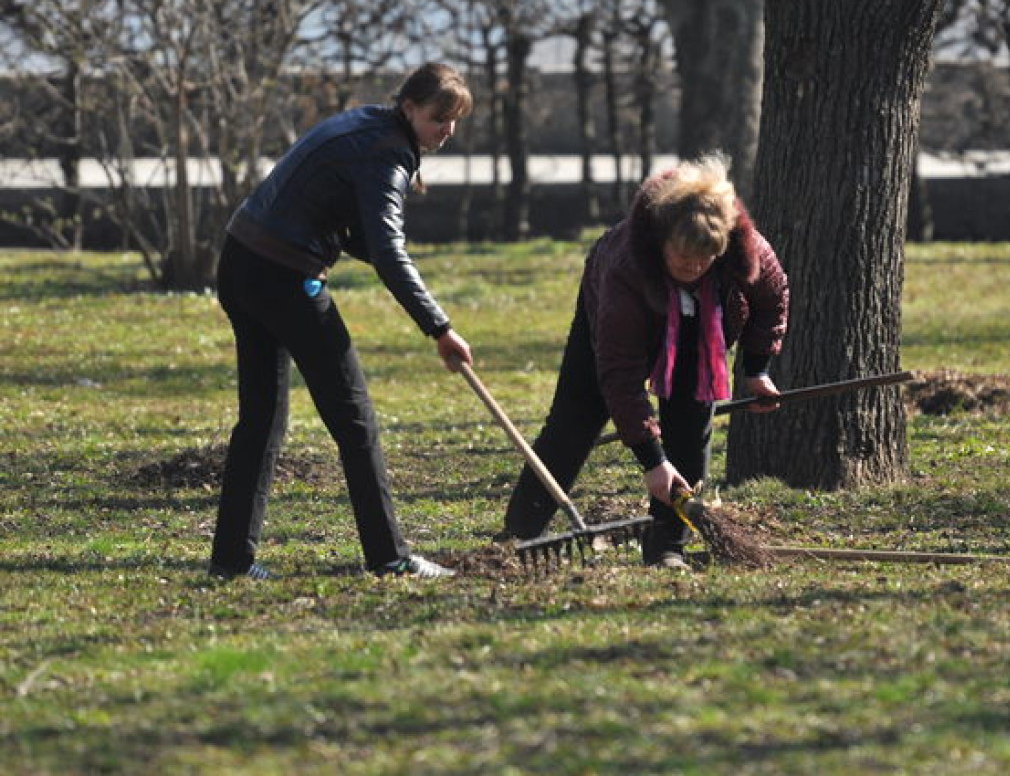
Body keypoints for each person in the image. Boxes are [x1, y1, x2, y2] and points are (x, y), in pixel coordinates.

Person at [209, 61, 475, 580]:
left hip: (241, 262)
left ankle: (230, 562)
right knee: (356, 421)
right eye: (439, 118)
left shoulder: (366, 124)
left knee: (261, 420)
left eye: (455, 120)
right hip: (286, 278)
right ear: (409, 107)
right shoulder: (388, 153)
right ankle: (389, 556)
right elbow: (386, 249)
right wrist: (440, 328)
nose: (448, 131)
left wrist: (387, 254)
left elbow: (348, 227)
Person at [503, 154, 789, 568]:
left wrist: (757, 370)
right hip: (621, 315)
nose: (692, 268)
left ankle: (666, 546)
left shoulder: (747, 252)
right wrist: (653, 462)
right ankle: (520, 531)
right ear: (662, 243)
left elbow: (773, 299)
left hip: (702, 333)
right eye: (682, 259)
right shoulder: (626, 267)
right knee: (576, 416)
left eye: (703, 260)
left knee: (691, 426)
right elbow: (619, 374)